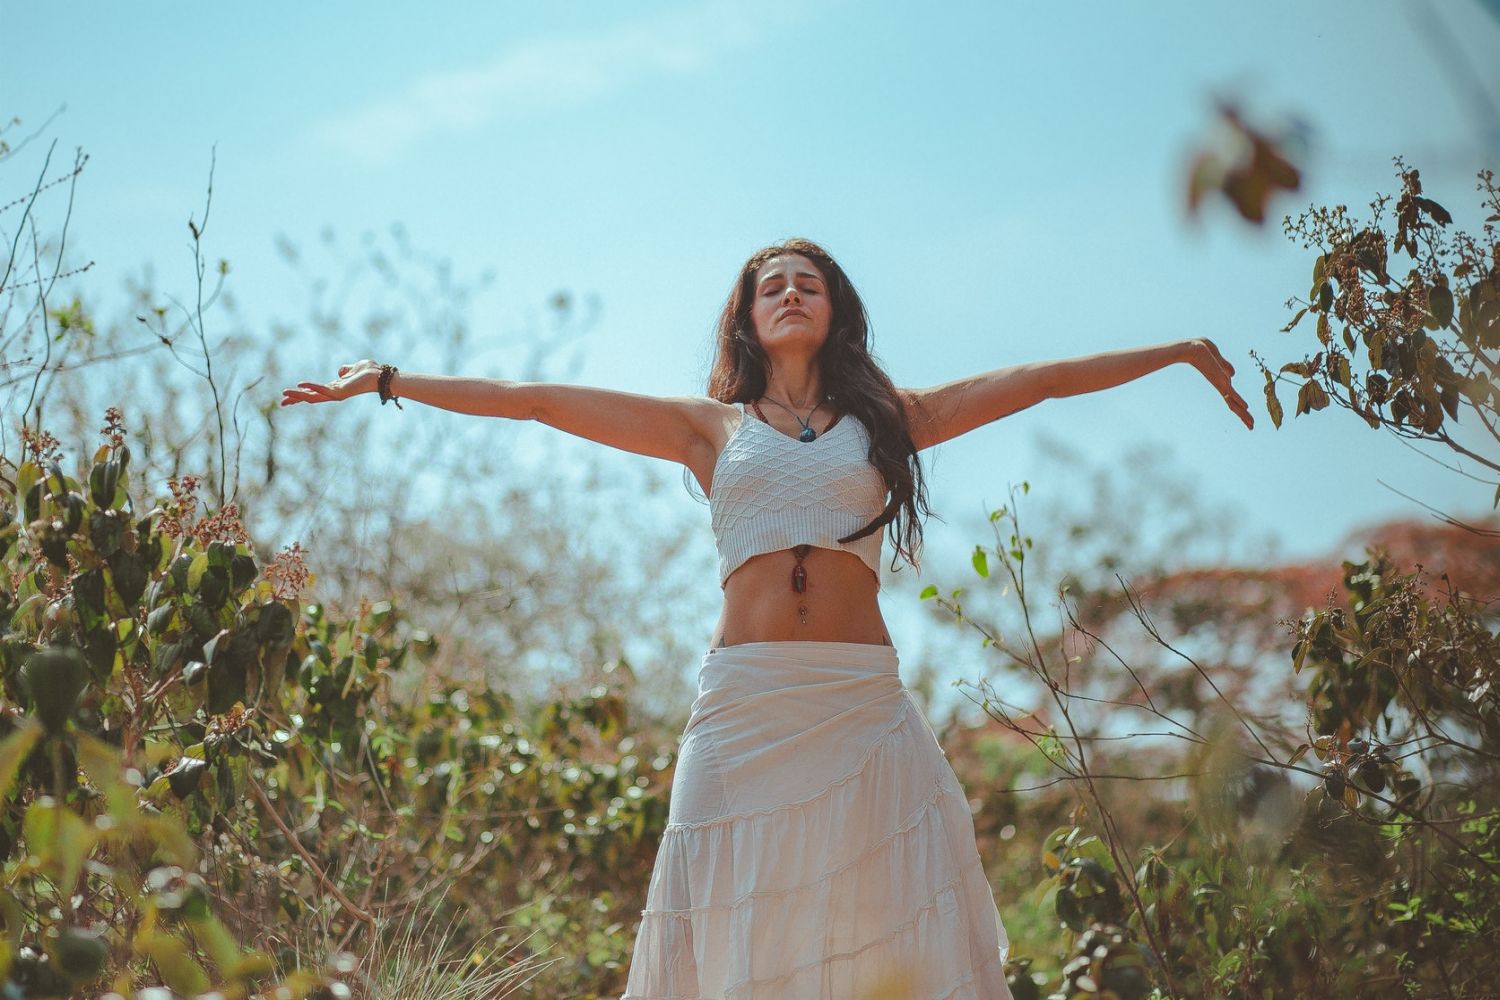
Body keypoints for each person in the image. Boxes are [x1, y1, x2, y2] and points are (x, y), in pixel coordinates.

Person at [281, 238, 1252, 998]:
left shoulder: (891, 418)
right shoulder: (709, 426)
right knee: (721, 909)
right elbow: (535, 401)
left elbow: (1039, 379)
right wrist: (393, 379)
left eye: (809, 283)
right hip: (744, 705)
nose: (789, 292)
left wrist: (1172, 351)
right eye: (771, 284)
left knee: (891, 908)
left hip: (856, 701)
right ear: (746, 314)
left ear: (837, 313)